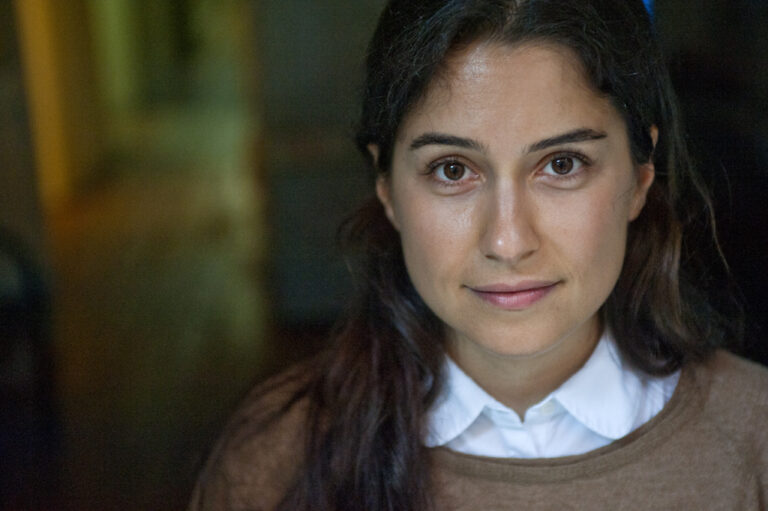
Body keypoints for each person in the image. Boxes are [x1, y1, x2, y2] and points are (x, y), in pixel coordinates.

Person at [189, 1, 768, 509]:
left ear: (641, 176)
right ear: (387, 187)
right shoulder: (277, 456)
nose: (508, 242)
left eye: (562, 164)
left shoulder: (754, 440)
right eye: (452, 170)